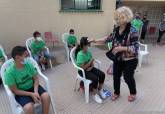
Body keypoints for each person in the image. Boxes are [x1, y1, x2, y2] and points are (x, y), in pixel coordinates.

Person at [95, 6, 139, 102]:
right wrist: (94, 40)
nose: (116, 20)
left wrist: (121, 48)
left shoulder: (133, 30)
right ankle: (116, 92)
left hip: (130, 60)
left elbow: (136, 48)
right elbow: (108, 38)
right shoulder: (116, 29)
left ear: (125, 17)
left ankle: (133, 92)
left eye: (118, 17)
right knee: (116, 77)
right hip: (118, 58)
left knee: (128, 78)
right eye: (116, 17)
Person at [4, 46, 50, 114]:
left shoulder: (29, 65)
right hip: (21, 92)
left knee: (46, 97)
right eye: (26, 56)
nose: (28, 58)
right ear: (17, 58)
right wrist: (31, 94)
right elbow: (15, 90)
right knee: (28, 108)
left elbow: (36, 79)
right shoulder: (9, 73)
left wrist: (35, 91)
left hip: (33, 87)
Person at [75, 37, 106, 104]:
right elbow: (83, 68)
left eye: (88, 45)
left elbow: (92, 63)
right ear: (83, 46)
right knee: (95, 78)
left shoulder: (88, 52)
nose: (88, 47)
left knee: (102, 74)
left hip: (89, 68)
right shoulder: (80, 55)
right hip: (82, 71)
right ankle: (94, 95)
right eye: (87, 45)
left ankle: (100, 90)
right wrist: (90, 62)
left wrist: (91, 67)